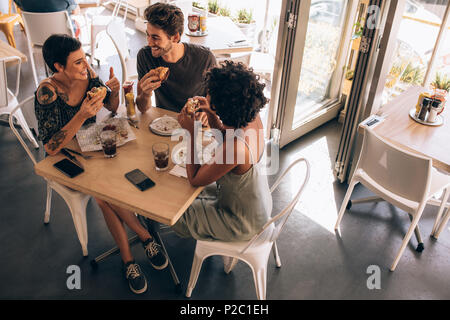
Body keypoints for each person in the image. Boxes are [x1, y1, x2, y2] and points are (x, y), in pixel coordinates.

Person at [34, 34, 167, 295]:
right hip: (65, 157)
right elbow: (50, 147)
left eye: (84, 59)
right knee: (104, 195)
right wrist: (83, 114)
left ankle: (131, 257)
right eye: (77, 63)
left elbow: (111, 105)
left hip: (92, 145)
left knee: (106, 195)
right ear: (58, 67)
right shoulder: (47, 92)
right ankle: (142, 239)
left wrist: (114, 92)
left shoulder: (87, 74)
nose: (85, 66)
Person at [173, 61, 272, 244]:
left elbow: (195, 179)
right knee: (181, 191)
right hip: (254, 203)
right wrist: (211, 114)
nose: (207, 97)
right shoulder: (251, 116)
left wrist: (190, 133)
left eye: (211, 97)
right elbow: (227, 139)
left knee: (173, 209)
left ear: (225, 107)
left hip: (240, 221)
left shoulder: (236, 149)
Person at [136, 2, 216, 118]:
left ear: (175, 37)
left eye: (155, 37)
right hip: (164, 124)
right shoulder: (145, 57)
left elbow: (215, 100)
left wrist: (207, 113)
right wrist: (146, 94)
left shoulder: (205, 58)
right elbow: (142, 108)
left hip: (195, 123)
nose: (149, 42)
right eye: (148, 35)